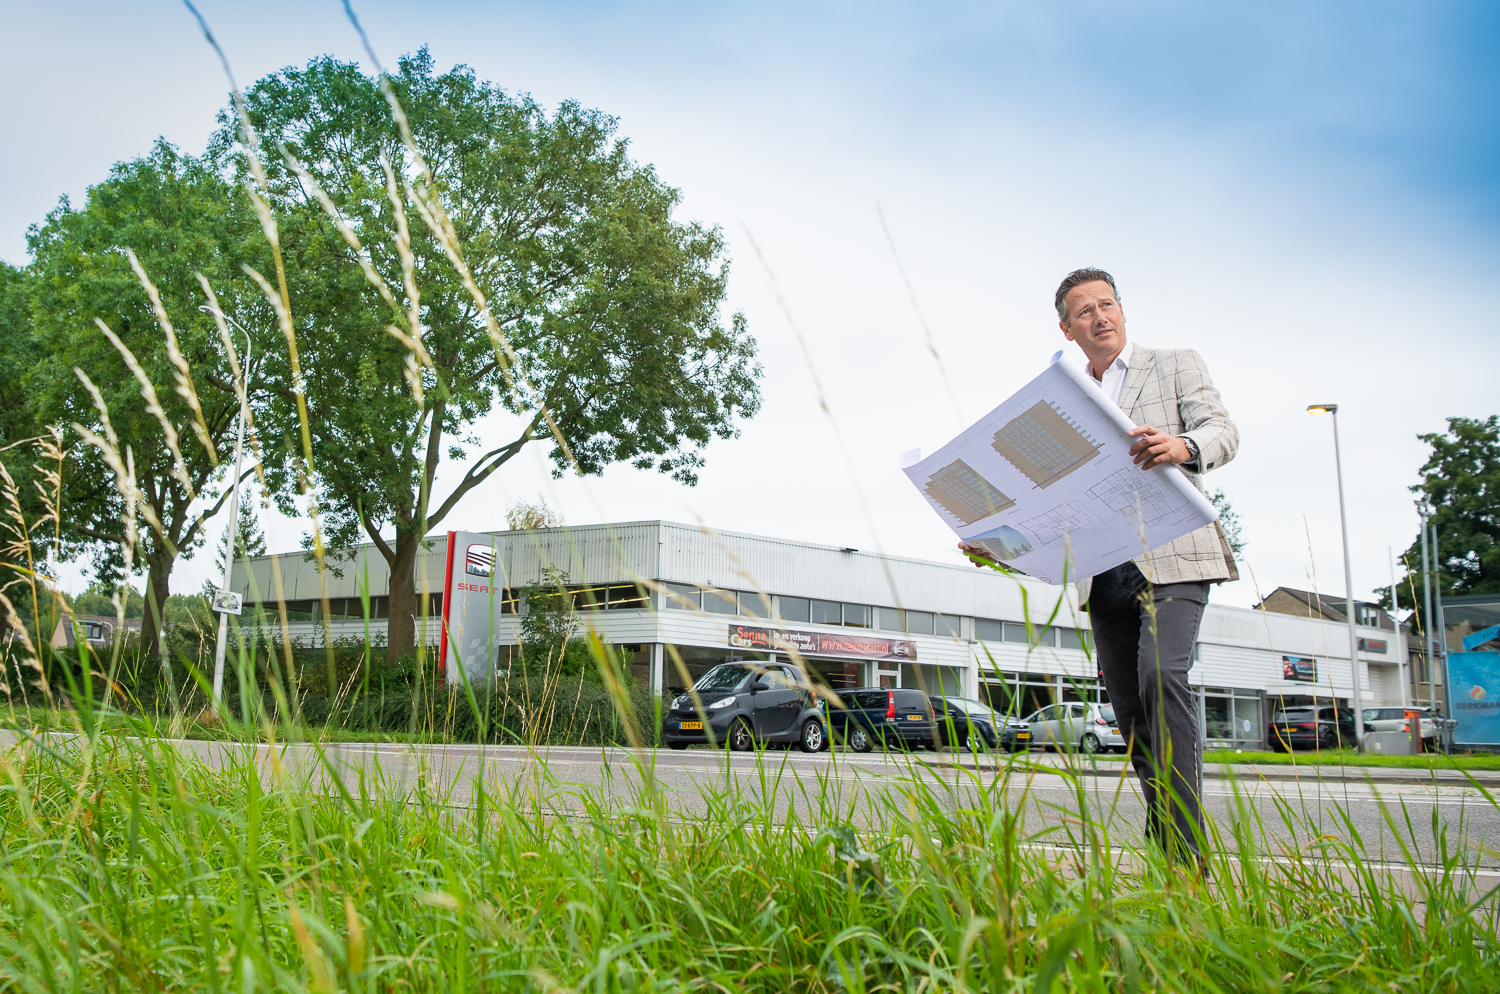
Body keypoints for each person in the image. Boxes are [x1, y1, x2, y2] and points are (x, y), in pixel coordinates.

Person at [962, 267, 1238, 870]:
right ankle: (1168, 850)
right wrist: (999, 544)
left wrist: (1184, 447)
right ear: (1067, 327)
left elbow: (1222, 430)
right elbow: (1050, 505)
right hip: (1104, 569)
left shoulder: (1174, 363)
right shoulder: (1066, 398)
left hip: (1173, 554)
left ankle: (1189, 856)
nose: (1100, 317)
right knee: (1134, 715)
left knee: (1162, 675)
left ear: (1122, 310)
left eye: (1107, 304)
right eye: (1084, 311)